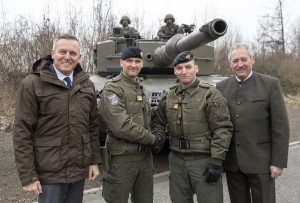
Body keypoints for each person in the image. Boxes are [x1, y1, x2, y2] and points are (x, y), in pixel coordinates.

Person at [13, 34, 101, 203]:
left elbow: (92, 127)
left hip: (77, 172)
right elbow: (22, 132)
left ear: (79, 57)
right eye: (63, 51)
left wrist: (93, 161)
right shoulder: (32, 84)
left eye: (73, 53)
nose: (67, 57)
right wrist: (28, 175)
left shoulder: (86, 85)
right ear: (53, 53)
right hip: (49, 174)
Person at [152, 51, 233, 202]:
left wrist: (217, 160)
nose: (184, 72)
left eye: (188, 67)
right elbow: (159, 119)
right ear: (174, 71)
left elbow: (222, 128)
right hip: (176, 160)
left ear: (196, 68)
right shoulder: (169, 95)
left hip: (203, 159)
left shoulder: (210, 94)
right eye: (179, 68)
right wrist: (158, 135)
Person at [216, 43, 290, 203]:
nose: (240, 64)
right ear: (230, 63)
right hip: (233, 164)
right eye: (235, 61)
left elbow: (280, 126)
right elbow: (218, 125)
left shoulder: (270, 84)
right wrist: (219, 158)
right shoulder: (221, 87)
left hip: (261, 163)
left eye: (244, 59)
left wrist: (278, 162)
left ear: (253, 59)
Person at [99, 46, 163, 203]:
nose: (133, 65)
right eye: (129, 61)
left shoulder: (139, 86)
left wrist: (160, 127)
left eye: (137, 61)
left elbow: (147, 116)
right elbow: (120, 124)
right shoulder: (113, 87)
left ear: (142, 64)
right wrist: (152, 139)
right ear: (121, 63)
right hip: (122, 158)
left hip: (144, 158)